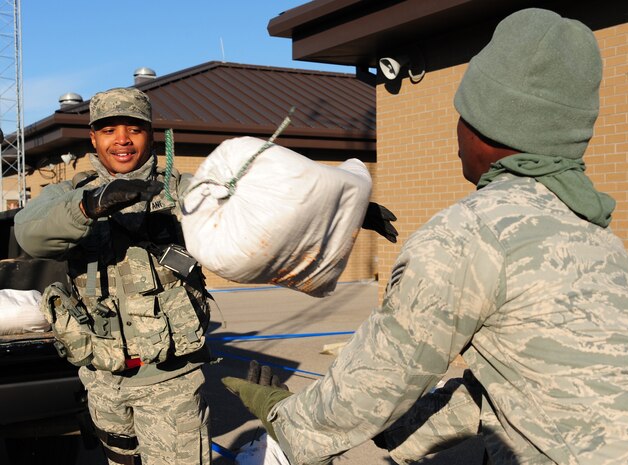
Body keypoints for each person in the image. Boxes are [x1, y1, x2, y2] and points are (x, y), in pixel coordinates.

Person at [222, 8, 628, 465]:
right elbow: (507, 396)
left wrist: (287, 420)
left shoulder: (468, 236)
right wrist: (398, 432)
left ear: (487, 128)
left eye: (462, 114)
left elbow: (376, 384)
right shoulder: (595, 234)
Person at [14, 87, 398, 465]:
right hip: (102, 379)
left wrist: (347, 209)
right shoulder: (69, 195)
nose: (123, 140)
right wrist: (89, 206)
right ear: (94, 138)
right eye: (110, 129)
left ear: (151, 134)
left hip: (170, 382)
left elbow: (266, 206)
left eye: (134, 128)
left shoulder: (183, 191)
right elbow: (29, 233)